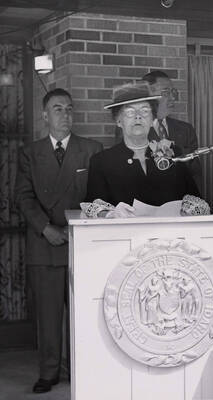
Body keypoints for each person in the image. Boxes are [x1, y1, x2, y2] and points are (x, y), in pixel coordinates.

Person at [15, 88, 102, 394]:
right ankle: (49, 373)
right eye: (57, 109)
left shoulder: (91, 149)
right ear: (44, 116)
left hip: (81, 243)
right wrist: (46, 228)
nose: (64, 115)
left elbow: (98, 196)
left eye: (68, 109)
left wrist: (76, 227)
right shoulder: (30, 152)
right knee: (49, 316)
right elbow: (23, 196)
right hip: (44, 243)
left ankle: (83, 369)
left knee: (85, 313)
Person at [86, 81, 199, 207]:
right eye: (130, 112)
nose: (138, 117)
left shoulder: (172, 153)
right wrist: (111, 214)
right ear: (118, 120)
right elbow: (94, 207)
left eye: (145, 111)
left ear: (152, 119)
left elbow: (194, 199)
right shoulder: (101, 162)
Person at [142, 70, 202, 190]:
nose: (173, 98)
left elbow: (195, 174)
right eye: (166, 93)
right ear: (148, 96)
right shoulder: (134, 130)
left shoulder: (186, 130)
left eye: (173, 92)